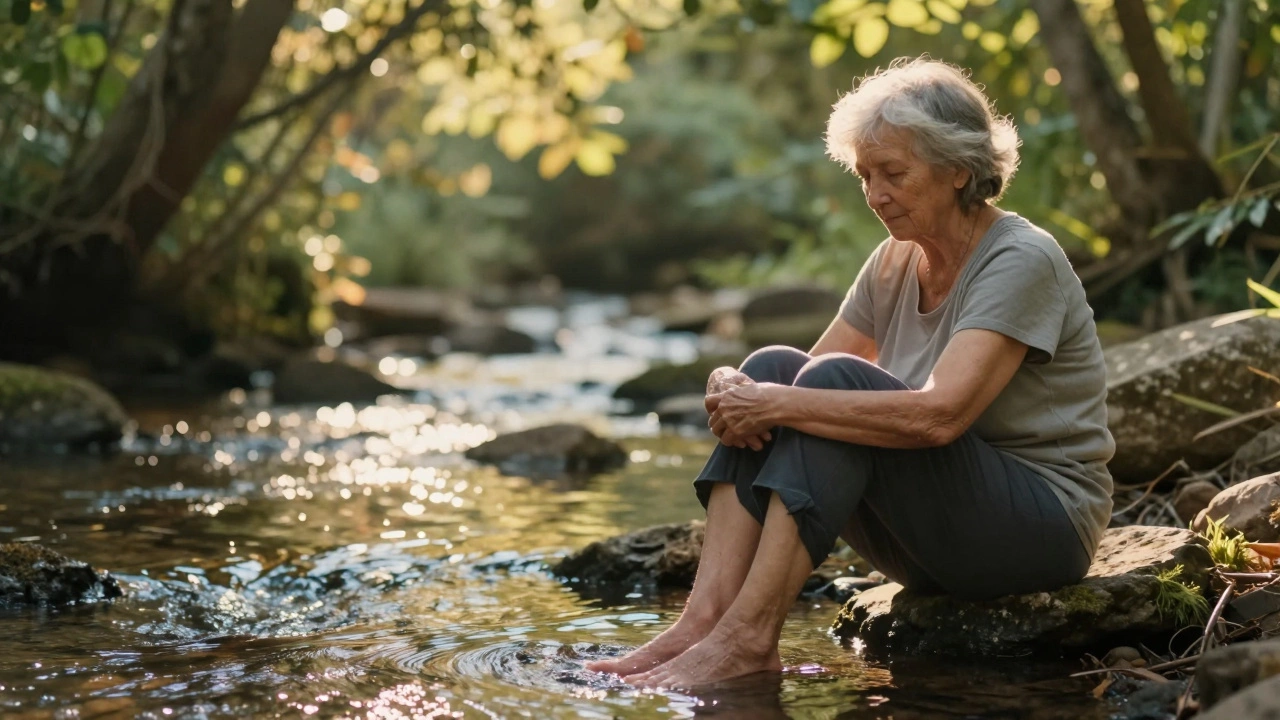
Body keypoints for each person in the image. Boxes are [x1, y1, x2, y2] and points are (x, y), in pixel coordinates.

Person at [587, 56, 1115, 688]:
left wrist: (775, 403)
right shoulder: (894, 260)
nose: (874, 193)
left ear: (958, 168)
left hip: (1038, 529)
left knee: (820, 387)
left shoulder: (1022, 259)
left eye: (893, 172)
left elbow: (941, 415)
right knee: (770, 365)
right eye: (865, 175)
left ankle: (749, 639)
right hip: (933, 535)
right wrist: (737, 384)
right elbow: (797, 377)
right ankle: (703, 622)